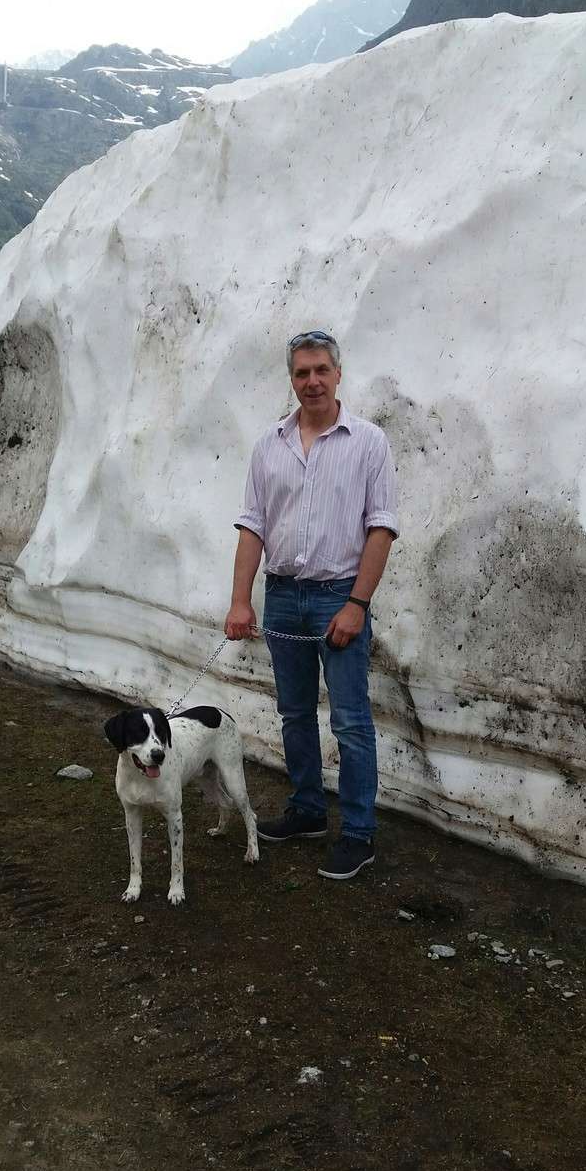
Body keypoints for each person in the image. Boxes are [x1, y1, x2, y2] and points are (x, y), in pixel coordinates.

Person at [224, 330, 399, 880]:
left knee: (350, 721)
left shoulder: (369, 443)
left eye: (321, 370)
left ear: (338, 374)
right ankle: (306, 810)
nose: (312, 381)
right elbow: (253, 526)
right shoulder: (269, 446)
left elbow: (381, 528)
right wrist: (240, 600)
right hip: (281, 597)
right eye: (302, 373)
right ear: (292, 379)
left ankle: (359, 832)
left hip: (337, 596)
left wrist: (357, 604)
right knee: (294, 713)